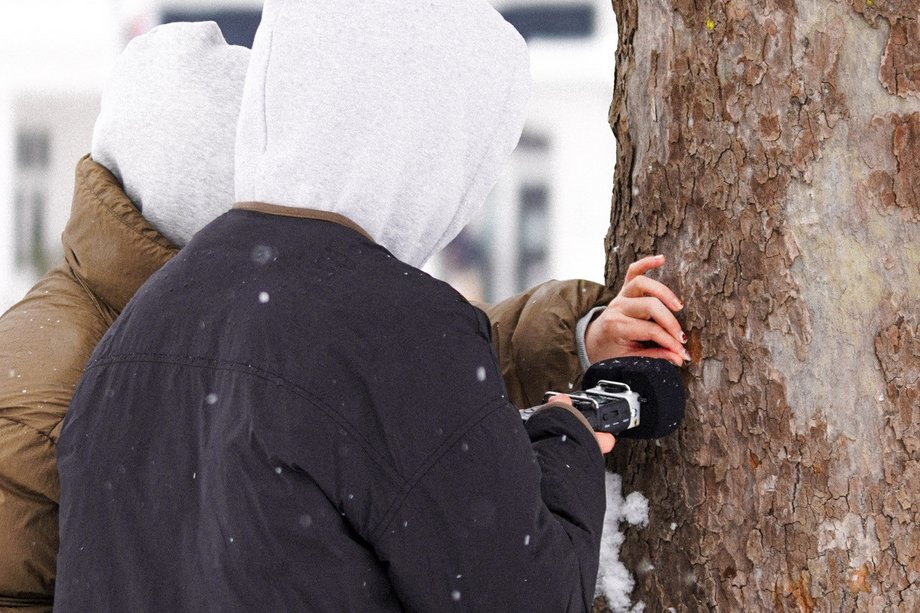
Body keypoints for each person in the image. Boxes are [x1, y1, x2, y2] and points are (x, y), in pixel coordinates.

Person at [54, 1, 686, 611]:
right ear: (423, 151)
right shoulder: (396, 330)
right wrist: (568, 443)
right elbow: (523, 591)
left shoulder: (142, 323)